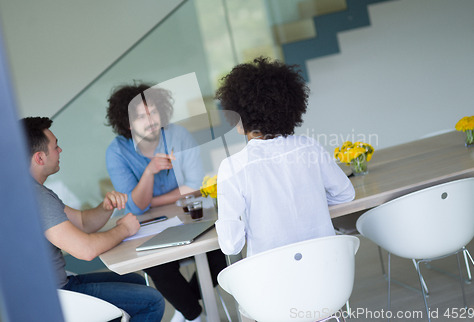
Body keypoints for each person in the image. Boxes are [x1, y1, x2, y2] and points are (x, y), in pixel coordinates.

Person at [21, 117, 165, 322]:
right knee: (152, 301)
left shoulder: (34, 192)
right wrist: (124, 229)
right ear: (40, 158)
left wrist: (106, 207)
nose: (60, 150)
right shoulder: (36, 197)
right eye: (55, 146)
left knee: (135, 281)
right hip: (55, 299)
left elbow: (81, 221)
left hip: (60, 287)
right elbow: (85, 251)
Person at [106, 83, 226, 322]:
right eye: (140, 116)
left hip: (189, 216)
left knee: (218, 253)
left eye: (153, 112)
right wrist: (149, 172)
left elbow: (194, 186)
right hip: (148, 227)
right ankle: (195, 314)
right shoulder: (117, 152)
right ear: (128, 124)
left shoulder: (178, 135)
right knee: (158, 265)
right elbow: (137, 208)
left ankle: (187, 311)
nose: (149, 120)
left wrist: (149, 199)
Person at [214, 57, 355, 257]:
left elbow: (230, 245)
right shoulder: (309, 146)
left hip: (274, 281)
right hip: (328, 271)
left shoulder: (233, 166)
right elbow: (345, 194)